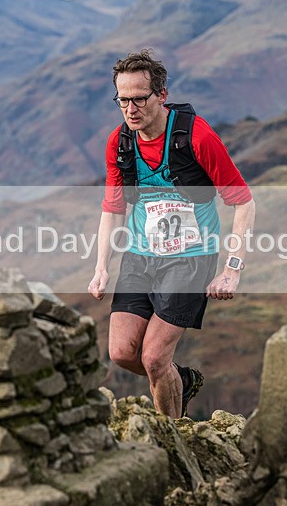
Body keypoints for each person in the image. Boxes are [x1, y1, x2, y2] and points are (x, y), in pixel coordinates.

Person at [88, 49, 255, 419]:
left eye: (139, 99)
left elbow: (243, 202)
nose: (131, 109)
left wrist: (232, 269)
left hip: (191, 258)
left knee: (153, 358)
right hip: (139, 256)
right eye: (122, 100)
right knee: (122, 353)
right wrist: (101, 266)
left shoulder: (197, 137)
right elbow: (112, 209)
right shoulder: (120, 144)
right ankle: (182, 379)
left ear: (161, 95)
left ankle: (174, 442)